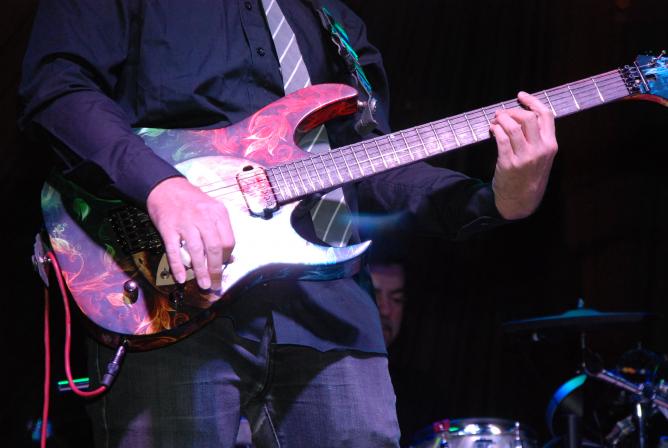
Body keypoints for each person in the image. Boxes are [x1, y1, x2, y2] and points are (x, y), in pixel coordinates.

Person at [18, 0, 558, 446]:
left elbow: (369, 161)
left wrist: (497, 199)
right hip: (167, 289)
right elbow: (57, 89)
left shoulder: (332, 17)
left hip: (329, 310)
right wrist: (161, 186)